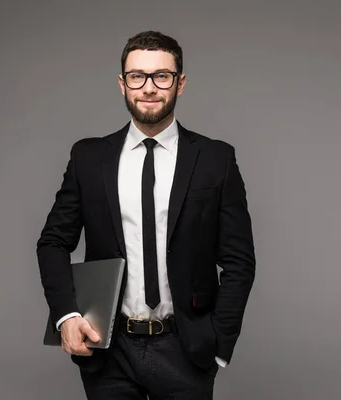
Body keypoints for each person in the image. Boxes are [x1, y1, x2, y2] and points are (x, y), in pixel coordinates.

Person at [36, 30, 256, 399]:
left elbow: (239, 260)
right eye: (137, 76)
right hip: (110, 349)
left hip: (186, 347)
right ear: (123, 84)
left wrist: (219, 343)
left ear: (179, 83)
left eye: (161, 76)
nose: (149, 88)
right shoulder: (89, 158)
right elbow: (53, 242)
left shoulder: (216, 159)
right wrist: (66, 316)